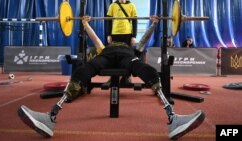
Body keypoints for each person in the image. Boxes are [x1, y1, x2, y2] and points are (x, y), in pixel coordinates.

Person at [17, 16, 205, 140]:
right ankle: (50, 117)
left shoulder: (133, 47)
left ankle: (172, 118)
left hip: (126, 58)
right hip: (105, 59)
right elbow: (95, 38)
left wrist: (154, 24)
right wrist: (85, 23)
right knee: (84, 70)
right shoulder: (103, 47)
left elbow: (144, 38)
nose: (111, 37)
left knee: (147, 70)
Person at [106, 0, 138, 85]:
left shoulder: (132, 5)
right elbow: (109, 21)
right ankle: (113, 77)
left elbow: (135, 21)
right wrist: (109, 34)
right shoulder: (112, 5)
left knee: (128, 56)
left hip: (127, 34)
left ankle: (126, 77)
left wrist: (134, 36)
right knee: (114, 55)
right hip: (115, 33)